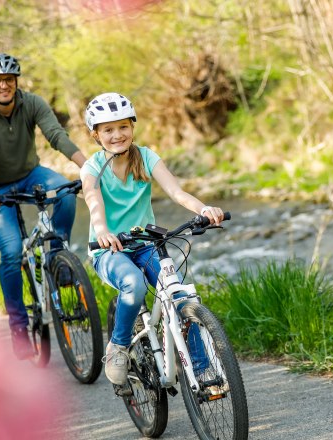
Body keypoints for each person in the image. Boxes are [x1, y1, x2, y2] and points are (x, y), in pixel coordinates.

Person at [79, 92, 226, 386]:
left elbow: (176, 192)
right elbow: (93, 199)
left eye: (123, 126)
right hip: (109, 250)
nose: (117, 135)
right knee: (132, 283)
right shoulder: (92, 168)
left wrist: (203, 209)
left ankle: (202, 367)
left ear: (133, 127)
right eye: (108, 129)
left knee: (180, 294)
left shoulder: (147, 157)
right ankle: (118, 346)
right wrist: (103, 230)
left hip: (146, 244)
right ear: (96, 135)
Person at [0, 52, 87, 359]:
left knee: (65, 191)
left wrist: (86, 168)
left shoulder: (32, 103)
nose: (4, 85)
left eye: (9, 79)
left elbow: (56, 135)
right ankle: (18, 325)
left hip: (31, 174)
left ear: (16, 82)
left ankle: (57, 256)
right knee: (11, 252)